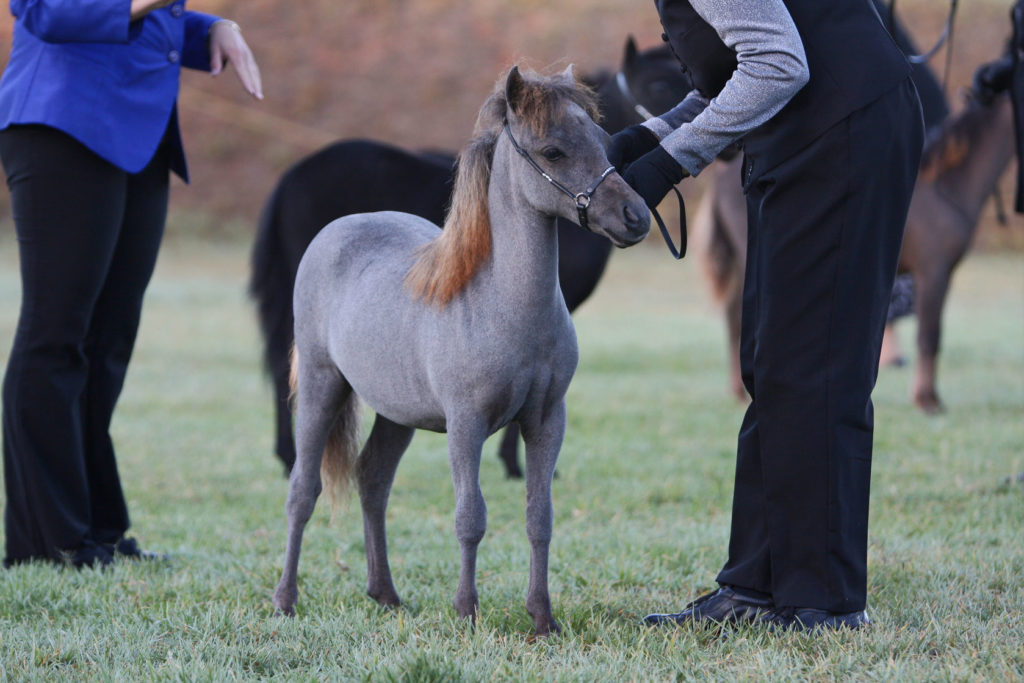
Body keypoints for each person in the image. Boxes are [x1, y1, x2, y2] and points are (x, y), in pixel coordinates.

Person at [608, 0, 924, 630]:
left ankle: (826, 602)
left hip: (843, 132)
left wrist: (669, 165)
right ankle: (755, 588)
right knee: (774, 364)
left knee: (818, 365)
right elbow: (741, 75)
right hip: (813, 133)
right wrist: (647, 137)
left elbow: (779, 65)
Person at [0, 0, 262, 568]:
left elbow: (156, 19)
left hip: (139, 136)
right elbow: (45, 11)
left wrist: (212, 28)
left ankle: (95, 531)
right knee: (55, 337)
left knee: (108, 343)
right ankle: (46, 543)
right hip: (63, 125)